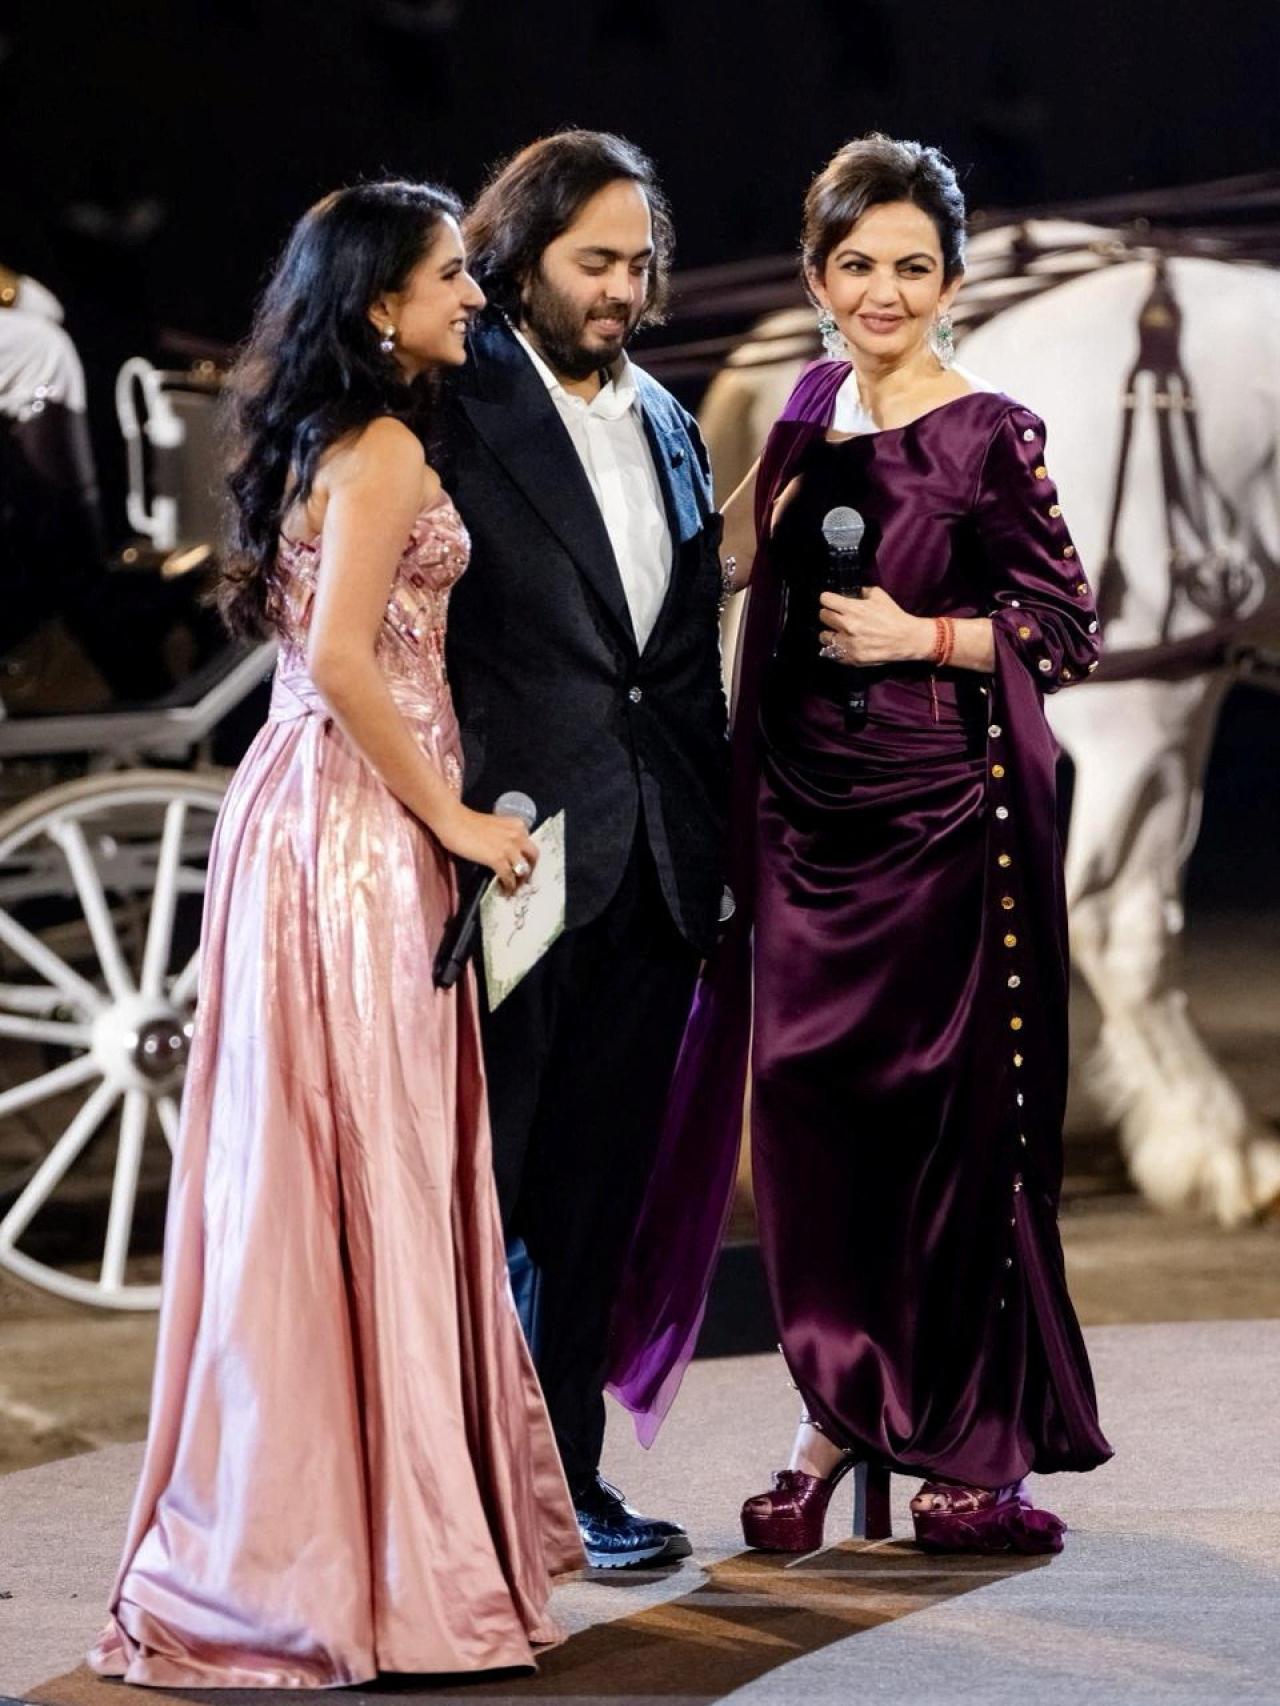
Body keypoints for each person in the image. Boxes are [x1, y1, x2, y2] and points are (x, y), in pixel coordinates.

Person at [88, 181, 583, 1690]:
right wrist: (458, 820)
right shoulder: (379, 451)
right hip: (359, 826)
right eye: (451, 278)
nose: (475, 298)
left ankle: (357, 1538)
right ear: (380, 305)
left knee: (335, 1160)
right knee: (373, 1153)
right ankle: (382, 1567)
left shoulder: (343, 438)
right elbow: (347, 662)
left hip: (313, 816)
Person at [611, 134, 1113, 1553]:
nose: (882, 292)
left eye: (912, 266)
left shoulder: (991, 432)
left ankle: (966, 1436)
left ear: (952, 280)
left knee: (941, 1128)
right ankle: (832, 1416)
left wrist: (924, 637)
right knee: (812, 1128)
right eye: (855, 264)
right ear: (816, 276)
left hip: (939, 825)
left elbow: (1067, 628)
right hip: (798, 823)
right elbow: (732, 556)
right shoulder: (806, 403)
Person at [442, 130, 728, 1568]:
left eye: (638, 262)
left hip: (655, 866)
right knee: (478, 1189)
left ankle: (567, 1488)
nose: (620, 288)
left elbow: (679, 669)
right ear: (520, 259)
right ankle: (456, 1496)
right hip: (508, 857)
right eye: (593, 261)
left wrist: (716, 849)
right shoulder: (452, 403)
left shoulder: (671, 420)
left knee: (595, 1202)